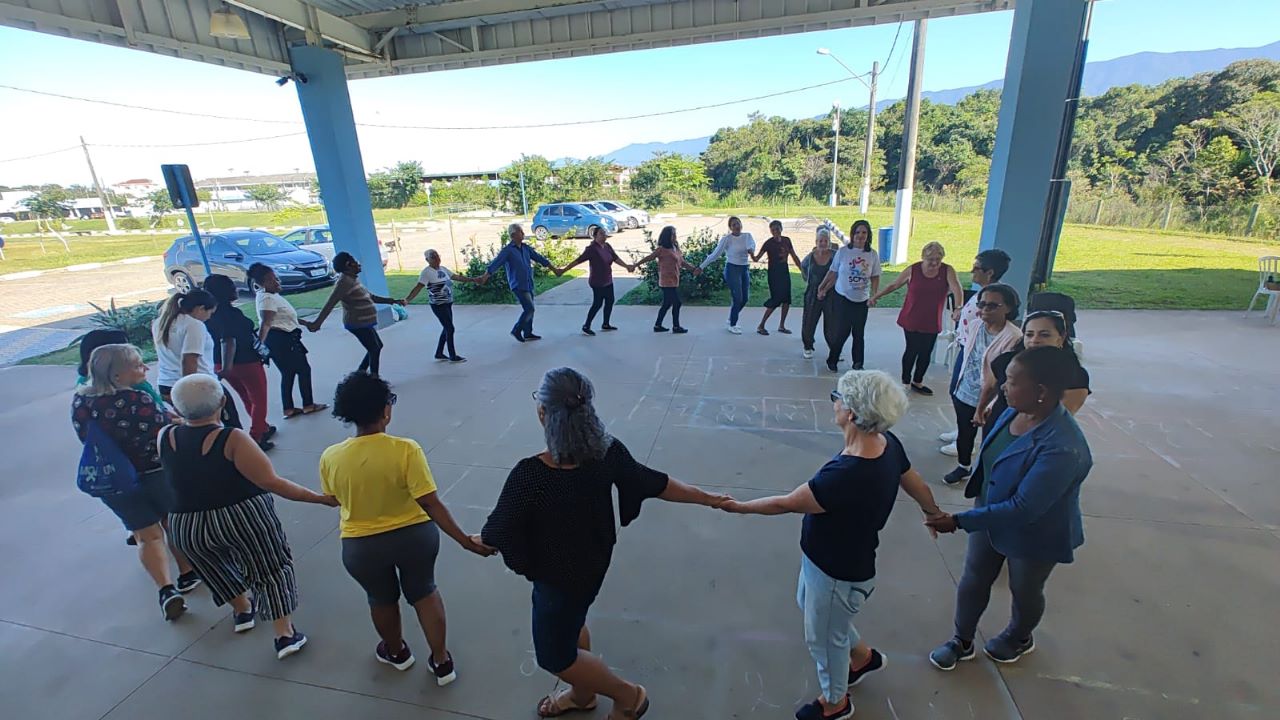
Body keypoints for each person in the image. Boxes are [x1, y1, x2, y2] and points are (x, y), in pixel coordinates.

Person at [481, 367, 728, 719]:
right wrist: (708, 498)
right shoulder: (607, 453)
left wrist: (480, 541)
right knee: (573, 622)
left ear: (543, 414)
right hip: (593, 565)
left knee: (555, 656)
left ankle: (629, 696)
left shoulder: (530, 475)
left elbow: (498, 532)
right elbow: (653, 482)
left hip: (557, 578)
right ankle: (583, 697)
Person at [719, 370, 944, 720]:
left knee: (823, 639)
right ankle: (863, 657)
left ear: (851, 412)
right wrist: (933, 512)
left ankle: (835, 702)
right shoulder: (886, 443)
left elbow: (786, 503)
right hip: (825, 561)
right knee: (813, 610)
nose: (833, 403)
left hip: (838, 572)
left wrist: (738, 506)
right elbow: (913, 480)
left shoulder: (845, 474)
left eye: (836, 397)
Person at [926, 346, 1094, 668]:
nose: (1003, 386)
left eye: (1012, 381)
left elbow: (1023, 509)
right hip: (991, 512)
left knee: (1025, 588)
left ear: (1041, 391)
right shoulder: (1016, 410)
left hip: (1035, 533)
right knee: (974, 577)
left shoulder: (1063, 447)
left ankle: (1019, 636)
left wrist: (959, 521)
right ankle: (962, 640)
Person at [321, 372, 494, 684]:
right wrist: (465, 540)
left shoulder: (331, 457)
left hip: (362, 546)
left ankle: (397, 651)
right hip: (415, 537)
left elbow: (334, 498)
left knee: (381, 598)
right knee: (424, 591)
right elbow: (430, 503)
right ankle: (441, 662)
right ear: (386, 410)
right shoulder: (406, 450)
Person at [161, 374, 329, 659]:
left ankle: (242, 610)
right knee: (270, 568)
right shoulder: (232, 438)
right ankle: (284, 634)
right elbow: (271, 482)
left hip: (186, 523)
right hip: (240, 516)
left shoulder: (165, 435)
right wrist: (318, 498)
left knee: (214, 567)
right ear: (223, 402)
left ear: (177, 409)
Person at [71, 343, 198, 620]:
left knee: (147, 536)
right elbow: (164, 430)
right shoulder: (137, 400)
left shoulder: (81, 401)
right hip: (154, 472)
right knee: (172, 521)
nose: (145, 368)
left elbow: (85, 438)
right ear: (117, 375)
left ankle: (166, 589)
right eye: (138, 365)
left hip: (115, 481)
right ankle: (188, 573)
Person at [943, 283, 1022, 487]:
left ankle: (986, 474)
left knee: (991, 439)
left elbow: (999, 379)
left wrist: (982, 408)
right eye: (982, 304)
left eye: (993, 305)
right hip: (965, 390)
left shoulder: (1013, 337)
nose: (985, 309)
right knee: (964, 432)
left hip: (991, 400)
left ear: (1008, 308)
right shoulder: (977, 324)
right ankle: (964, 466)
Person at [939, 249, 1012, 450]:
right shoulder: (983, 291)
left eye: (977, 268)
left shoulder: (995, 296)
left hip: (978, 354)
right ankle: (962, 430)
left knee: (969, 397)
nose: (972, 271)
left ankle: (965, 441)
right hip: (966, 347)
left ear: (990, 272)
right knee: (957, 392)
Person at [871, 242, 964, 396]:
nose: (934, 263)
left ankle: (918, 381)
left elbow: (956, 289)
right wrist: (876, 296)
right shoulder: (913, 269)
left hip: (932, 318)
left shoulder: (947, 270)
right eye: (930, 259)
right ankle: (905, 381)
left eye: (938, 259)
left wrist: (958, 307)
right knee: (912, 349)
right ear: (923, 258)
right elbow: (894, 285)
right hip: (912, 316)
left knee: (926, 352)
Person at [978, 310, 1090, 430]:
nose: (1035, 340)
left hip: (1037, 437)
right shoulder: (1005, 361)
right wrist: (980, 410)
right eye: (1029, 334)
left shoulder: (1075, 375)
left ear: (1061, 338)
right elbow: (990, 387)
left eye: (1044, 335)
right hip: (997, 427)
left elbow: (1061, 417)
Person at [202, 274, 274, 450]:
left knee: (246, 397)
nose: (235, 289)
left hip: (220, 362)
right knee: (259, 399)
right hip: (244, 362)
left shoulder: (208, 314)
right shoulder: (231, 314)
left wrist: (224, 367)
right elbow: (229, 340)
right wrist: (228, 366)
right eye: (232, 287)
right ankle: (256, 437)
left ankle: (262, 427)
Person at [303, 251, 403, 377]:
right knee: (374, 348)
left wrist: (392, 301)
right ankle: (374, 382)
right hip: (357, 323)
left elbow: (370, 297)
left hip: (365, 322)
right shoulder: (344, 282)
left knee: (376, 346)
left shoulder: (352, 279)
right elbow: (331, 303)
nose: (359, 264)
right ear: (348, 265)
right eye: (355, 262)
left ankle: (359, 375)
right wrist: (318, 323)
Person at [249, 262, 327, 419]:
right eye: (272, 280)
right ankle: (308, 405)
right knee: (304, 370)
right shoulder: (267, 300)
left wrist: (307, 324)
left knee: (288, 373)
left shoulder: (269, 296)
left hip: (283, 338)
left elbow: (288, 316)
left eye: (276, 278)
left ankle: (289, 408)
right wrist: (259, 348)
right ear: (262, 284)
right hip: (282, 340)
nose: (278, 282)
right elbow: (266, 323)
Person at [817, 220, 881, 372]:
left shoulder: (872, 255)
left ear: (868, 235)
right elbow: (833, 272)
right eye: (857, 232)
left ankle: (858, 363)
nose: (860, 236)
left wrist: (874, 295)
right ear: (853, 234)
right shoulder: (843, 252)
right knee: (842, 331)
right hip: (843, 297)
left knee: (858, 333)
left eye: (864, 232)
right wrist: (822, 287)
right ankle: (832, 359)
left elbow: (875, 276)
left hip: (862, 300)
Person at [402, 249, 483, 362]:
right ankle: (452, 355)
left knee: (447, 328)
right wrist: (408, 299)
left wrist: (473, 279)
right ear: (427, 260)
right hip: (438, 305)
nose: (437, 258)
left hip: (447, 303)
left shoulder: (443, 269)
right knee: (450, 328)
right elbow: (418, 287)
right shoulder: (426, 272)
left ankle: (439, 353)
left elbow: (457, 277)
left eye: (437, 256)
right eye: (433, 257)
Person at [480, 223, 556, 342]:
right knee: (529, 308)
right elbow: (497, 262)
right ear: (513, 235)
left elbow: (538, 258)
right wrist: (486, 275)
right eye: (521, 231)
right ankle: (517, 330)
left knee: (530, 307)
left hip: (528, 283)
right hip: (518, 284)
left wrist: (553, 268)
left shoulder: (525, 248)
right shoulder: (508, 251)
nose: (523, 233)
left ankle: (528, 332)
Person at [559, 226, 632, 336]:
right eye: (601, 234)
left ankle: (606, 323)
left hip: (607, 278)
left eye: (604, 233)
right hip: (597, 281)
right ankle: (586, 325)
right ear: (595, 236)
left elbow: (615, 258)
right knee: (597, 303)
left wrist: (626, 266)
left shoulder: (607, 246)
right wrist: (564, 270)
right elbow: (578, 260)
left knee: (610, 300)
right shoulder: (592, 249)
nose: (604, 236)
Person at [633, 226, 702, 334]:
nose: (675, 236)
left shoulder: (675, 247)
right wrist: (636, 264)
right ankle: (676, 326)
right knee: (677, 303)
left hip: (674, 279)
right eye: (672, 234)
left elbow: (682, 262)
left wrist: (693, 269)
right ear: (667, 236)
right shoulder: (661, 249)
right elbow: (650, 257)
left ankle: (658, 325)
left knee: (667, 304)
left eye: (675, 234)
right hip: (666, 281)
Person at [151, 289, 218, 399]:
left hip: (166, 382)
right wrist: (189, 390)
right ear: (200, 309)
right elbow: (189, 360)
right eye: (210, 313)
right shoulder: (194, 325)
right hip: (198, 384)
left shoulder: (160, 322)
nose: (209, 317)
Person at [700, 216, 756, 334]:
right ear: (730, 228)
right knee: (737, 297)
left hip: (744, 269)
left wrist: (751, 250)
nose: (737, 226)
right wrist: (701, 267)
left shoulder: (747, 236)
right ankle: (733, 324)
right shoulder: (727, 239)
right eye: (734, 225)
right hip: (732, 269)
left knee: (745, 298)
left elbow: (752, 245)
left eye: (738, 223)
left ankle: (731, 318)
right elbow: (715, 254)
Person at [752, 219, 804, 335]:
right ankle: (761, 325)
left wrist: (802, 270)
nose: (776, 231)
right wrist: (750, 252)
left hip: (784, 272)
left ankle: (782, 325)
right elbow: (756, 258)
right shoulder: (768, 243)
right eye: (773, 230)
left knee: (786, 300)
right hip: (774, 274)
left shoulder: (787, 240)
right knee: (776, 299)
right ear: (770, 231)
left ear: (781, 229)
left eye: (777, 229)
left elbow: (794, 256)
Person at [800, 227, 837, 360]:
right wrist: (808, 280)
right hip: (813, 293)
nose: (823, 243)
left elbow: (838, 273)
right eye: (820, 241)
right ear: (816, 242)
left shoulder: (834, 255)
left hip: (831, 293)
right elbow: (803, 267)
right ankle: (808, 346)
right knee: (809, 320)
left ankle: (834, 349)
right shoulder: (810, 257)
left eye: (825, 240)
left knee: (832, 323)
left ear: (829, 242)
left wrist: (825, 289)